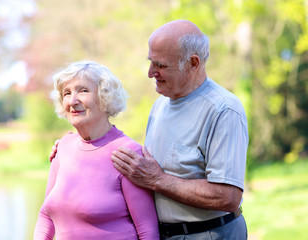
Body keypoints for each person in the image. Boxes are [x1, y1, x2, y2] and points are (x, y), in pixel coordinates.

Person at [50, 20, 248, 240]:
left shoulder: (224, 109)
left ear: (193, 63)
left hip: (209, 234)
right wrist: (79, 146)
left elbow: (228, 196)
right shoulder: (160, 105)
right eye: (150, 62)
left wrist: (159, 180)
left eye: (161, 65)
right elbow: (142, 161)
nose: (151, 72)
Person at [34, 60, 159, 240]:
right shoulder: (63, 148)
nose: (73, 100)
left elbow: (148, 232)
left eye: (83, 90)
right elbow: (46, 215)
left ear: (104, 96)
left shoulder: (128, 152)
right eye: (67, 93)